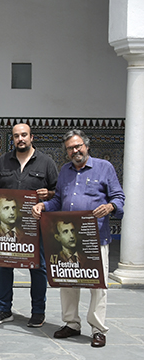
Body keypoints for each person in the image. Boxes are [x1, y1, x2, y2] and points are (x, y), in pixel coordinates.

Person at [32, 129, 124, 348]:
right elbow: (59, 201)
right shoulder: (65, 171)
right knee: (68, 281)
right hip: (67, 240)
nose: (75, 151)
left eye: (78, 146)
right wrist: (44, 206)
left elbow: (118, 197)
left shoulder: (104, 167)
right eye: (70, 149)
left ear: (86, 146)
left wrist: (110, 207)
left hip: (95, 238)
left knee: (98, 285)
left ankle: (98, 329)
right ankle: (71, 323)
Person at [0, 123, 57, 328]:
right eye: (16, 136)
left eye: (24, 135)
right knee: (4, 265)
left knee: (38, 267)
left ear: (31, 137)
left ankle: (38, 312)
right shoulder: (4, 161)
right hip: (6, 227)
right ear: (13, 139)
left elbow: (57, 192)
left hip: (35, 226)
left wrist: (48, 195)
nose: (20, 139)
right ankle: (4, 309)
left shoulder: (46, 162)